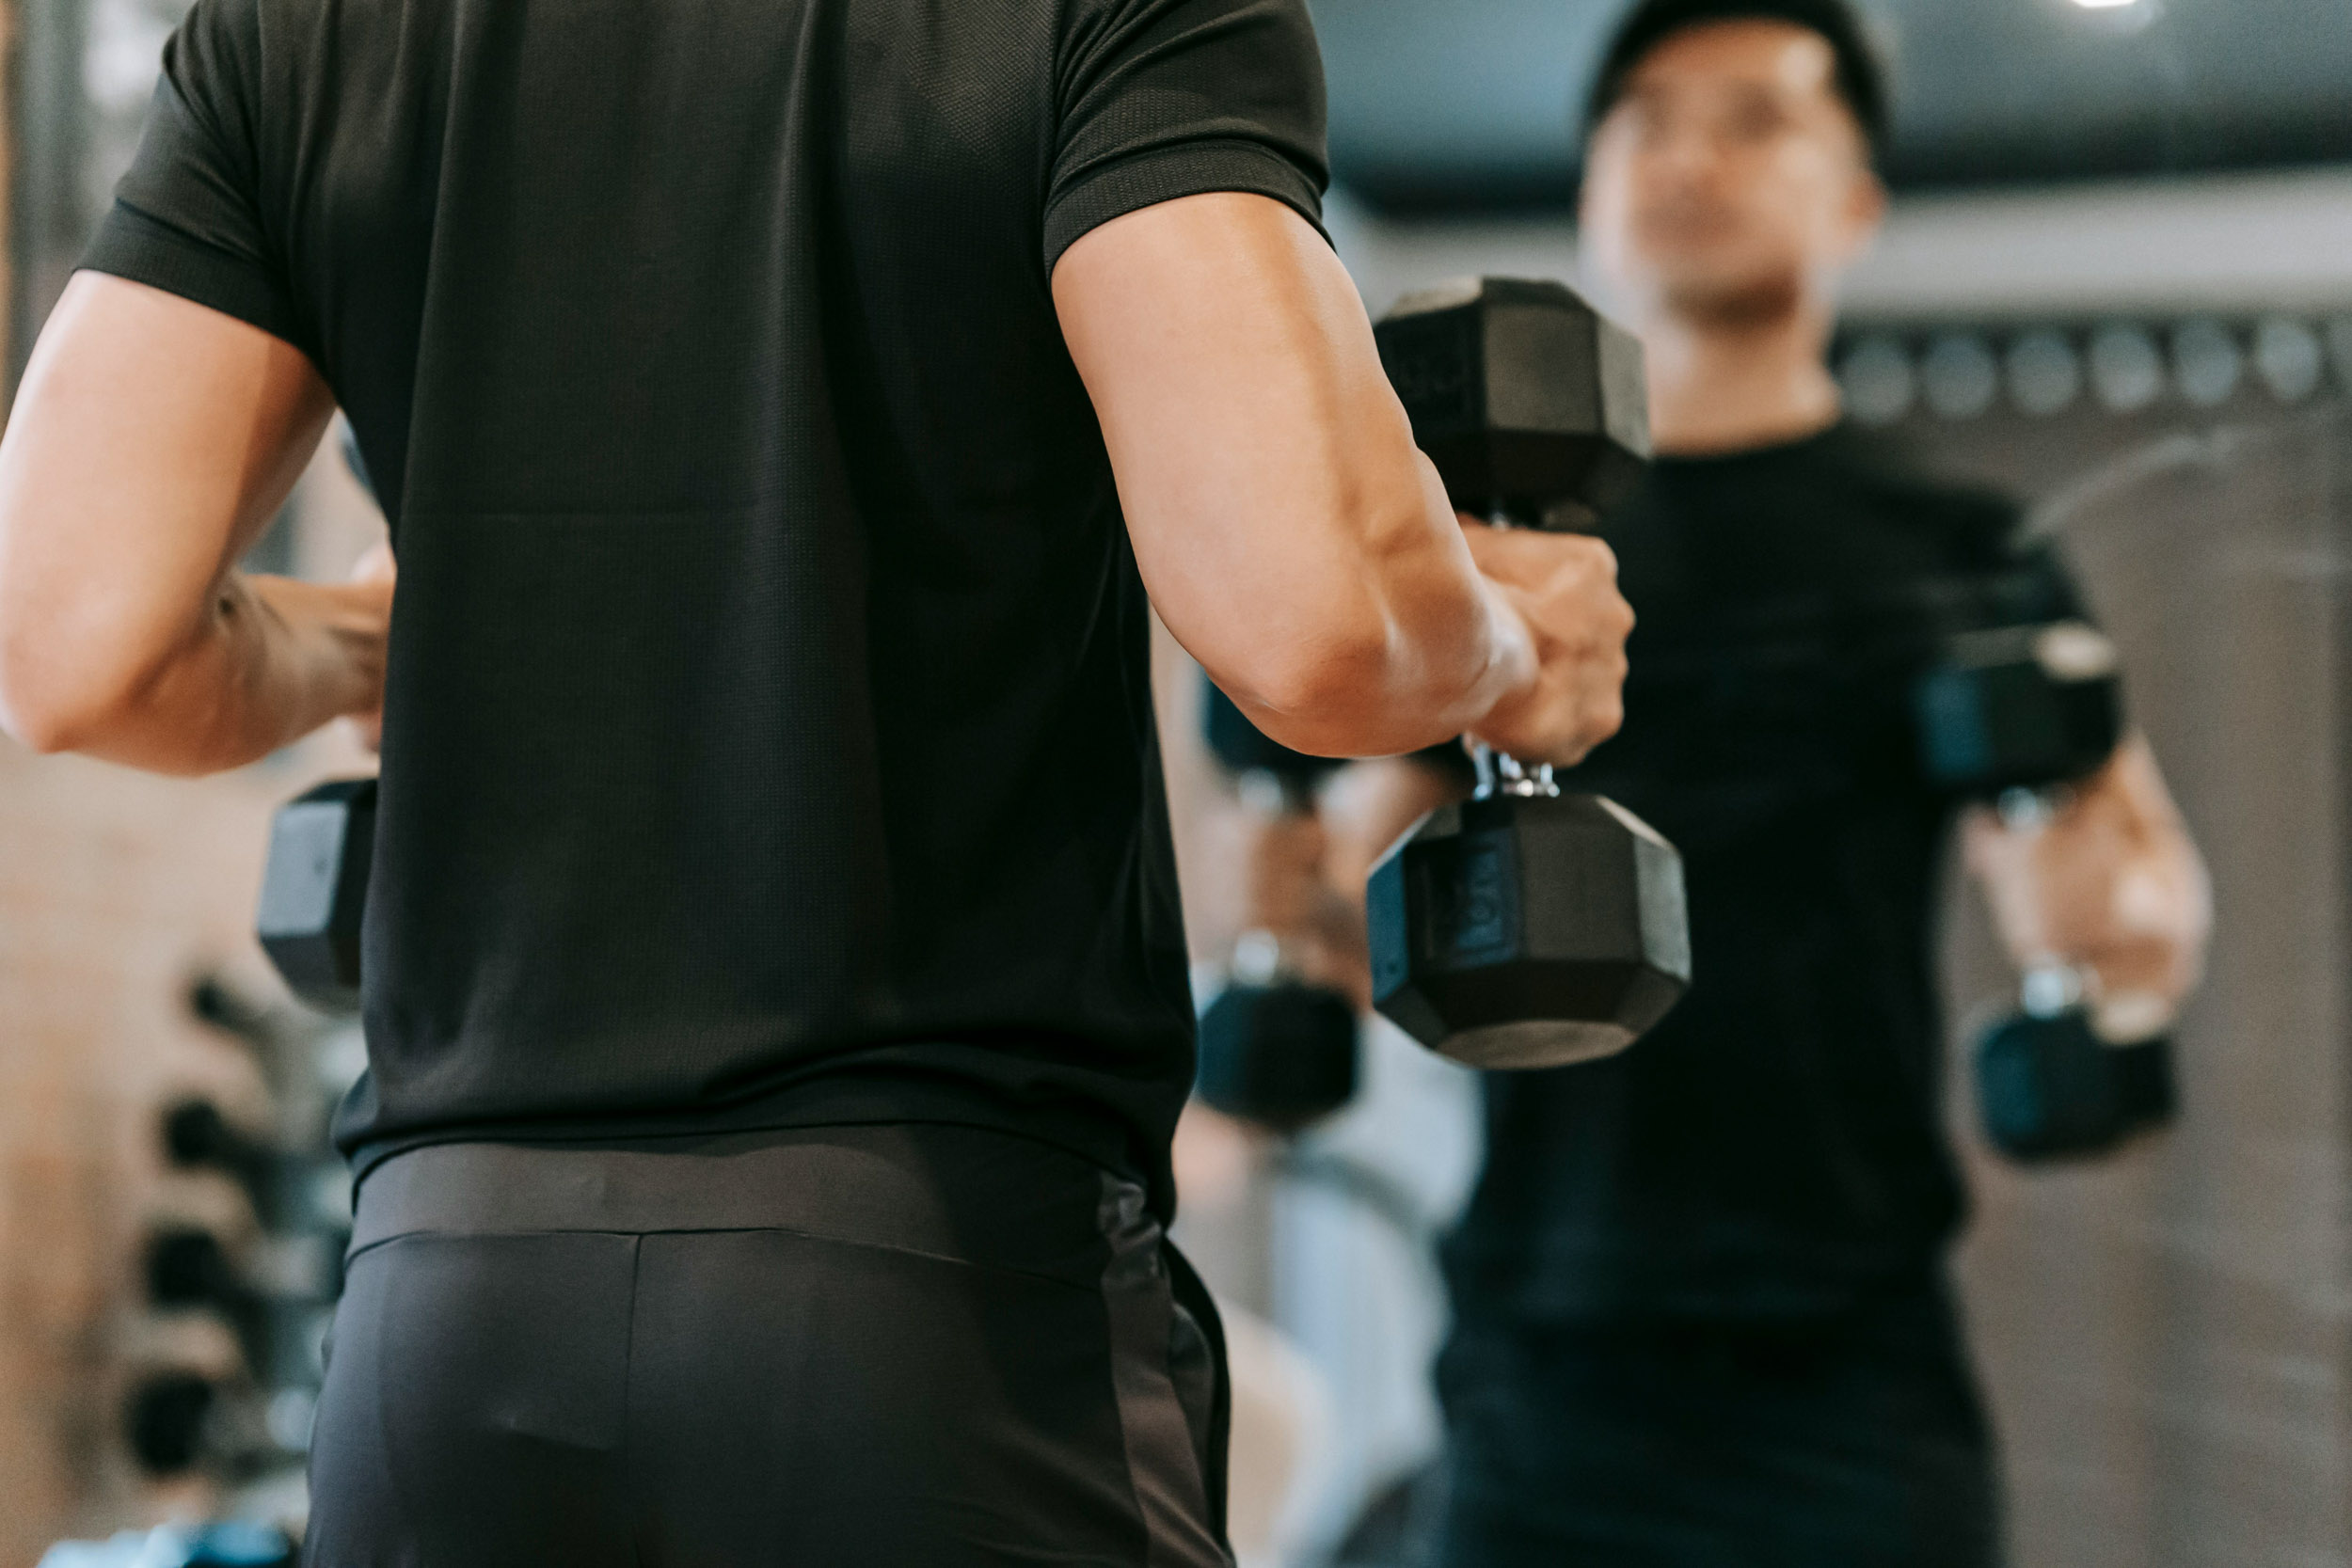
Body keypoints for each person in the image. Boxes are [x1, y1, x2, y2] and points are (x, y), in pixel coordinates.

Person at [0, 0, 1643, 1560]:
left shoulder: (303, 28)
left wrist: (364, 649)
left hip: (439, 1317)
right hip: (927, 1303)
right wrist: (1511, 644)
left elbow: (72, 651)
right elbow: (1323, 625)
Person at [1295, 2, 2210, 1562]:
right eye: (1645, 119)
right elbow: (1349, 896)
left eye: (1753, 119)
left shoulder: (1955, 552)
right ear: (1588, 187)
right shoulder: (1483, 564)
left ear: (1856, 200)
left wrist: (2105, 927)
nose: (1687, 156)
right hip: (1539, 1356)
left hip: (1844, 1370)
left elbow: (2137, 902)